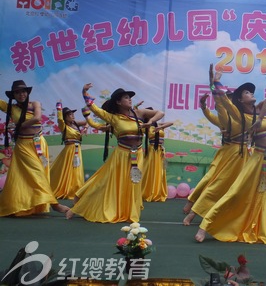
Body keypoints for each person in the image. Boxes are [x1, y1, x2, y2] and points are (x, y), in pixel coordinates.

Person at [195, 72, 266, 243]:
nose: (250, 94)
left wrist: (259, 120)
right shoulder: (241, 117)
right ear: (240, 101)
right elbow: (224, 102)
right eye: (245, 93)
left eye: (251, 92)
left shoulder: (260, 112)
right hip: (257, 158)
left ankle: (261, 228)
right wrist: (215, 83)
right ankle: (205, 225)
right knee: (236, 191)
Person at [66, 84, 164, 222]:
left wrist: (151, 122)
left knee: (133, 184)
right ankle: (78, 207)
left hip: (138, 155)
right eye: (126, 98)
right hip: (121, 155)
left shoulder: (139, 113)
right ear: (118, 102)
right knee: (104, 182)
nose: (129, 100)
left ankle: (129, 212)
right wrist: (84, 93)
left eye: (130, 98)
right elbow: (95, 109)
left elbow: (161, 113)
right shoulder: (113, 118)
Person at [0, 80, 70, 217]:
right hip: (23, 146)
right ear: (13, 95)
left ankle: (33, 204)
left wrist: (19, 125)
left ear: (27, 93)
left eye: (23, 91)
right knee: (36, 173)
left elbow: (37, 118)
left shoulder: (35, 104)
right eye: (18, 92)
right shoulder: (11, 108)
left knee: (40, 174)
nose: (21, 94)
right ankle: (55, 205)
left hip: (38, 143)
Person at [183, 86, 248, 225]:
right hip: (227, 154)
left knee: (237, 186)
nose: (229, 101)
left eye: (231, 99)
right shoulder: (227, 118)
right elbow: (214, 114)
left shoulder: (245, 116)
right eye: (228, 99)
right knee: (212, 180)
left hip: (242, 156)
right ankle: (192, 207)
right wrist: (204, 104)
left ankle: (230, 216)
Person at [49, 103, 89, 199]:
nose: (73, 116)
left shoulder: (75, 124)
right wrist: (59, 109)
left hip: (77, 149)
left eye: (72, 114)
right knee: (68, 169)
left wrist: (86, 128)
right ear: (65, 117)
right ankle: (68, 189)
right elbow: (59, 120)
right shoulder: (64, 126)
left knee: (77, 169)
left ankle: (76, 190)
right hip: (69, 150)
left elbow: (88, 121)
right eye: (70, 114)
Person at [141, 108, 173, 202]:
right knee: (150, 170)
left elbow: (171, 123)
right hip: (152, 150)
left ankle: (157, 192)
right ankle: (148, 192)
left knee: (159, 171)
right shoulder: (145, 127)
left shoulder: (158, 125)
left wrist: (159, 127)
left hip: (160, 150)